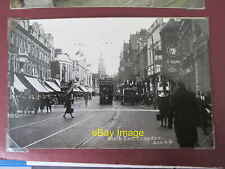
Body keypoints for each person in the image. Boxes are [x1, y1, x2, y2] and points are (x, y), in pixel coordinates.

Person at [171, 82, 199, 148]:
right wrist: (197, 121)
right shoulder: (191, 94)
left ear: (178, 86)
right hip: (190, 121)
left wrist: (170, 121)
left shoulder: (175, 95)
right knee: (191, 143)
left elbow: (172, 108)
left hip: (180, 122)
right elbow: (196, 108)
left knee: (182, 143)